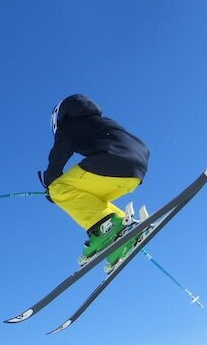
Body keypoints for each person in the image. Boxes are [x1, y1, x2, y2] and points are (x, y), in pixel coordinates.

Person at [40, 94, 150, 270]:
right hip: (135, 172)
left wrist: (49, 183)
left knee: (58, 188)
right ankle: (123, 233)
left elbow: (58, 155)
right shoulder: (102, 123)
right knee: (92, 199)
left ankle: (104, 229)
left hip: (113, 161)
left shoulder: (68, 127)